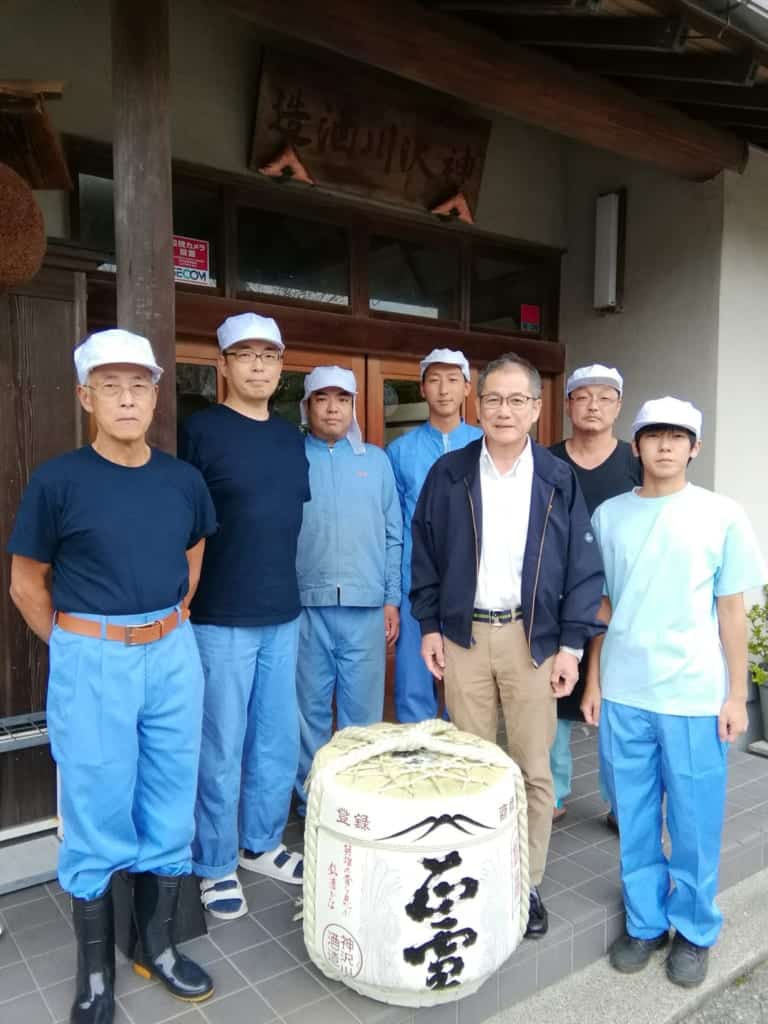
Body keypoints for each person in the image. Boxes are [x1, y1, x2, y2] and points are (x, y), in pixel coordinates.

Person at [8, 329, 217, 1023]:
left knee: (169, 795)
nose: (127, 398)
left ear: (156, 394)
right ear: (85, 396)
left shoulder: (182, 479)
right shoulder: (58, 481)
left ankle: (154, 944)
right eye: (111, 385)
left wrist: (159, 628)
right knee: (97, 808)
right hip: (92, 657)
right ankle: (94, 971)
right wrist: (78, 646)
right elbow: (25, 584)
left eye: (139, 385)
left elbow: (192, 557)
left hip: (171, 649)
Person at [410, 352, 604, 938]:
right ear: (477, 402)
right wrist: (429, 626)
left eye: (518, 400)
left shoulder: (556, 478)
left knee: (532, 768)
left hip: (532, 640)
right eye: (493, 398)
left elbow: (582, 571)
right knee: (470, 764)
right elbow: (425, 554)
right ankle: (475, 874)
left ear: (538, 409)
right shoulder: (449, 474)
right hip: (464, 636)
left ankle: (527, 882)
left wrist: (571, 646)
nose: (504, 410)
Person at [582, 397, 767, 988]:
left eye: (677, 436)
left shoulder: (721, 515)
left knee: (692, 818)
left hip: (693, 694)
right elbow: (602, 606)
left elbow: (732, 611)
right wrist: (594, 679)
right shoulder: (609, 516)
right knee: (633, 813)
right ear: (634, 446)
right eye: (652, 435)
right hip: (626, 691)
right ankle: (644, 921)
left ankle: (693, 928)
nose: (664, 446)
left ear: (695, 447)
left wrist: (736, 694)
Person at [179, 312, 310, 921]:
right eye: (246, 355)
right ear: (223, 365)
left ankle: (261, 842)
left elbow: (286, 521)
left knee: (276, 741)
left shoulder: (290, 438)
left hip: (283, 611)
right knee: (220, 744)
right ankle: (213, 861)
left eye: (269, 355)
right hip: (218, 616)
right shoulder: (198, 432)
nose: (258, 365)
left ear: (281, 367)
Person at [294, 365, 402, 809]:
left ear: (354, 406)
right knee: (309, 712)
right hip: (305, 603)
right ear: (307, 406)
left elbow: (393, 533)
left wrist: (391, 598)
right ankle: (312, 798)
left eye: (342, 398)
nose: (332, 407)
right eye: (322, 398)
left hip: (366, 605)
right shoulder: (292, 456)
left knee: (363, 714)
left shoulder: (375, 461)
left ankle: (359, 797)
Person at [548, 364, 641, 827]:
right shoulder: (544, 460)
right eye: (583, 397)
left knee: (615, 701)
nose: (593, 406)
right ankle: (552, 793)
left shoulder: (635, 462)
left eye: (605, 397)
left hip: (619, 597)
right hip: (553, 599)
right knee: (553, 700)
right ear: (567, 404)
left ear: (619, 405)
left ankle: (621, 802)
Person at [386, 348, 482, 722]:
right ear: (422, 387)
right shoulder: (400, 451)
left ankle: (462, 767)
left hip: (473, 584)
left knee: (467, 686)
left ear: (467, 388)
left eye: (453, 379)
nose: (444, 390)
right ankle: (418, 763)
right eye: (435, 380)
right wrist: (391, 596)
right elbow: (393, 527)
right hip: (416, 584)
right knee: (414, 683)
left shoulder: (485, 445)